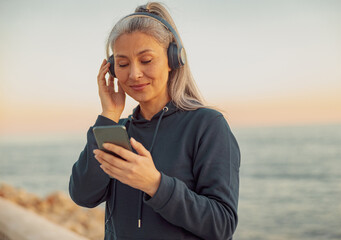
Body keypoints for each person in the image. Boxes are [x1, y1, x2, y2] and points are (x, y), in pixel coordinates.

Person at [69, 2, 240, 240]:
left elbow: (222, 225)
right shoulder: (118, 130)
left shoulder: (208, 125)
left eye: (146, 60)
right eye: (123, 64)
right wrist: (109, 116)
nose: (134, 74)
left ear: (173, 59)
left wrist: (156, 184)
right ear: (111, 69)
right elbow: (83, 195)